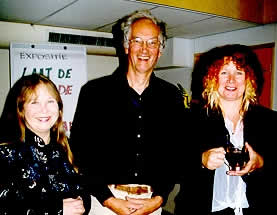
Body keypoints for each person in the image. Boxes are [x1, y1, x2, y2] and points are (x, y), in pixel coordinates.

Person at [69, 9, 186, 215]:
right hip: (105, 203)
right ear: (125, 46)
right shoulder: (94, 92)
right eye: (137, 41)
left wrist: (159, 198)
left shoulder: (171, 96)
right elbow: (81, 152)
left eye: (152, 43)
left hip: (151, 204)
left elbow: (174, 153)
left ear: (160, 50)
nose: (145, 49)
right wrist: (109, 200)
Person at [175, 44, 277, 215]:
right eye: (224, 73)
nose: (231, 80)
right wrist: (200, 160)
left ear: (249, 79)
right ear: (211, 79)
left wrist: (261, 163)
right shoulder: (191, 119)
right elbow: (171, 164)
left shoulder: (270, 121)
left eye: (238, 72)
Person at [0, 74, 91, 214]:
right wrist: (57, 208)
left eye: (50, 101)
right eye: (34, 102)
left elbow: (84, 190)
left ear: (59, 108)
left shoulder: (66, 147)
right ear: (21, 110)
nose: (44, 110)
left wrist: (81, 204)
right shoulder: (6, 152)